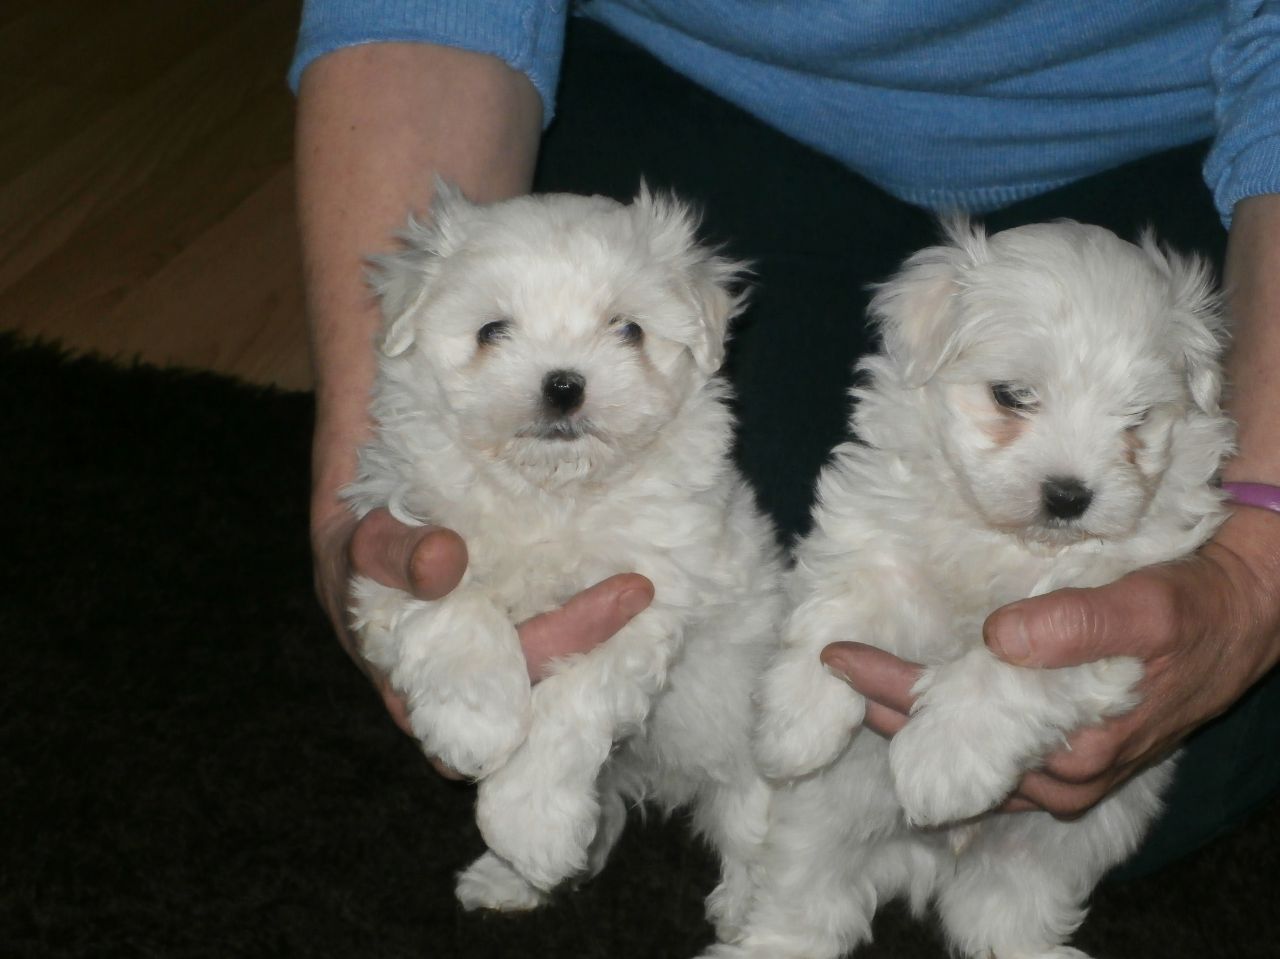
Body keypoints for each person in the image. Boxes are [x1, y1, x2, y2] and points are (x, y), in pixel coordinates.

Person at [290, 2, 1280, 871]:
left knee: (1143, 756)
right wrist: (366, 498)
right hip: (698, 85)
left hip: (1163, 128)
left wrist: (1252, 566)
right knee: (782, 677)